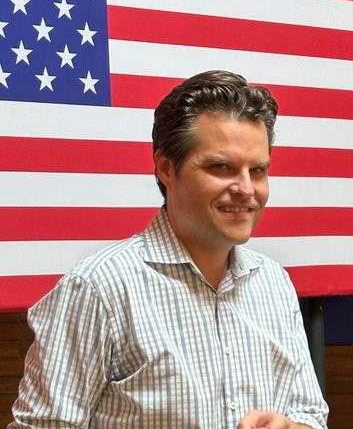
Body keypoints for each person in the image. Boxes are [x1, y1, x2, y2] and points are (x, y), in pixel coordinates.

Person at [9, 70, 329, 429]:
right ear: (165, 168)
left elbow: (310, 415)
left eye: (257, 170)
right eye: (221, 167)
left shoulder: (274, 284)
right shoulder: (99, 288)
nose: (245, 188)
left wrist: (291, 427)